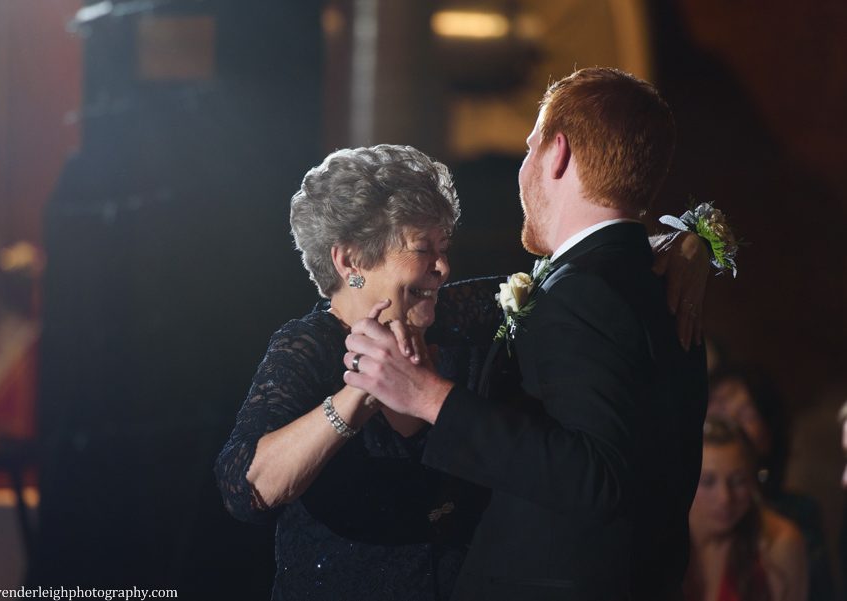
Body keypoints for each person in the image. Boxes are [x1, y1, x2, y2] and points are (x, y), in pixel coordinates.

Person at [215, 139, 709, 599]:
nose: (444, 268)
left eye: (444, 247)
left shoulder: (462, 320)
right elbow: (246, 488)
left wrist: (686, 244)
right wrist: (360, 394)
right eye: (422, 248)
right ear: (350, 261)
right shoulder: (305, 349)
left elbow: (572, 277)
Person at [344, 67, 708, 600]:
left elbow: (597, 473)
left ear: (557, 154)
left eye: (530, 146)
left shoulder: (590, 289)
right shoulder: (657, 282)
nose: (523, 167)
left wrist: (430, 398)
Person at [708, 367, 832, 601]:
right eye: (720, 412)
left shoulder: (795, 519)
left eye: (747, 415)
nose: (732, 425)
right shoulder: (678, 512)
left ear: (768, 434)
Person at [685, 417, 808, 601]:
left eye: (738, 481)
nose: (725, 498)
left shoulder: (777, 543)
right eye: (708, 482)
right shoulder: (659, 539)